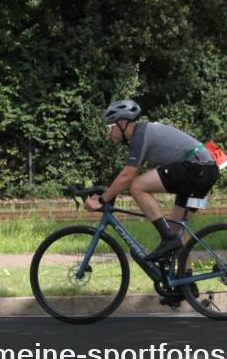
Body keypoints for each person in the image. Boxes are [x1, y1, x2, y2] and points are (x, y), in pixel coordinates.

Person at [84, 100, 219, 262]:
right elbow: (128, 175)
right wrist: (107, 192)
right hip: (205, 172)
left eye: (109, 127)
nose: (109, 133)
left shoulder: (140, 135)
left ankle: (168, 240)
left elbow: (128, 177)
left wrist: (101, 200)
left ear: (122, 123)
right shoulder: (142, 133)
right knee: (176, 229)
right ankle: (186, 280)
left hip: (197, 168)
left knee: (137, 186)